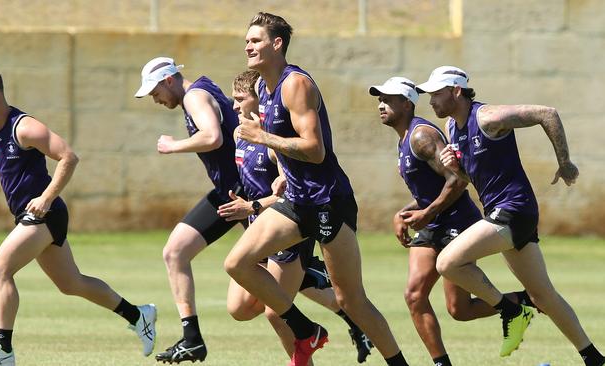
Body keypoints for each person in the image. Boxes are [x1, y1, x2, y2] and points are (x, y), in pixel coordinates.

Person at [223, 12, 408, 366]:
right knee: (237, 263)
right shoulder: (262, 88)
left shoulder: (297, 85)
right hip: (294, 200)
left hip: (328, 202)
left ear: (277, 44)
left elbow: (314, 149)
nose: (248, 45)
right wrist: (280, 171)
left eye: (256, 40)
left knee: (352, 300)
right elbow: (286, 143)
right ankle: (305, 328)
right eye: (246, 40)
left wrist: (261, 137)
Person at [0, 66, 156, 366]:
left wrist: (46, 197)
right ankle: (139, 314)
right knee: (71, 284)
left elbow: (68, 156)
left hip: (46, 213)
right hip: (27, 216)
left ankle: (3, 351)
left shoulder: (25, 128)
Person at [417, 65, 605, 365]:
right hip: (503, 213)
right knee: (543, 296)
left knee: (447, 262)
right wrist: (455, 166)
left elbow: (548, 113)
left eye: (436, 94)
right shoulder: (454, 127)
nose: (431, 101)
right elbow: (471, 176)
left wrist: (565, 162)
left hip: (514, 210)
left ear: (456, 91)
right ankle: (594, 357)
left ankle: (511, 310)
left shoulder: (487, 117)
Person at [369, 76, 535, 366]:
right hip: (432, 223)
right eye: (379, 100)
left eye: (388, 99)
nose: (381, 105)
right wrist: (405, 213)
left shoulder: (421, 136)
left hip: (456, 222)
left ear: (407, 104)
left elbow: (457, 180)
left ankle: (523, 304)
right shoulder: (404, 138)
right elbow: (428, 191)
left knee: (456, 308)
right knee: (421, 298)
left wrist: (426, 213)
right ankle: (443, 361)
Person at [220, 69, 374, 364]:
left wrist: (252, 206)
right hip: (260, 229)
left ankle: (311, 300)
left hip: (286, 232)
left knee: (276, 314)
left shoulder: (273, 141)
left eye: (241, 99)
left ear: (259, 100)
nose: (235, 106)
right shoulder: (241, 136)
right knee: (239, 308)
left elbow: (288, 194)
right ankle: (314, 279)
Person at [134, 56, 244, 363]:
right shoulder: (197, 94)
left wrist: (173, 146)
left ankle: (350, 316)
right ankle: (192, 339)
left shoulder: (195, 96)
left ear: (169, 80)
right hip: (228, 193)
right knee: (175, 252)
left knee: (283, 277)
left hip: (245, 194)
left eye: (155, 92)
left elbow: (212, 137)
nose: (155, 99)